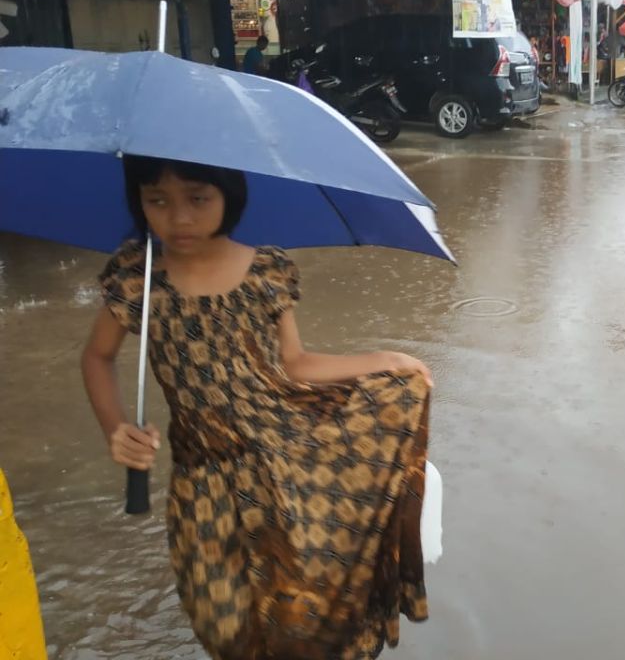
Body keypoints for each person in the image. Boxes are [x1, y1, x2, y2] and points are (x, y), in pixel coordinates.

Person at [80, 156, 434, 659]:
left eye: (197, 199)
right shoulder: (137, 277)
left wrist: (386, 360)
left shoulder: (266, 268)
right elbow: (97, 357)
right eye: (156, 201)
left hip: (282, 461)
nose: (178, 218)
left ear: (230, 195)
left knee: (299, 606)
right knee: (219, 621)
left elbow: (295, 363)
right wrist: (115, 428)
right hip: (199, 479)